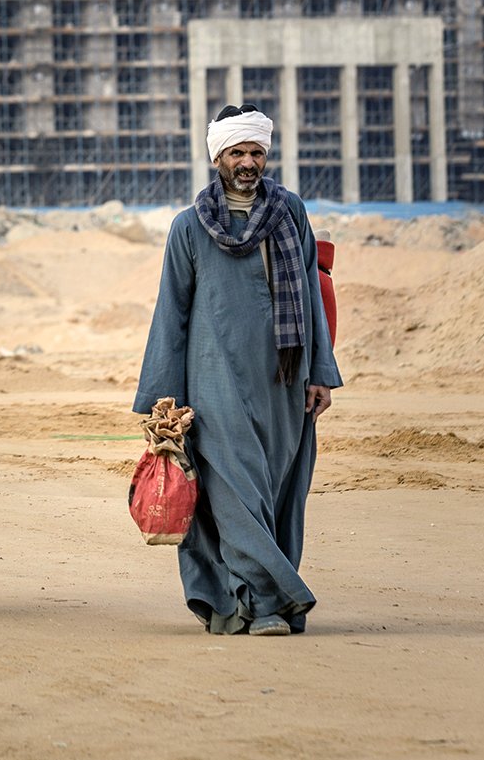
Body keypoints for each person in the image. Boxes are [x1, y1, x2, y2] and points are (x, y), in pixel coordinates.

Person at [134, 104, 342, 635]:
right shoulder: (189, 227)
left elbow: (313, 299)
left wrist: (320, 370)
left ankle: (246, 602)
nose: (247, 162)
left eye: (255, 152)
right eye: (237, 153)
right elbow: (171, 313)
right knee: (234, 495)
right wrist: (163, 399)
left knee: (277, 493)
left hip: (284, 382)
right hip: (214, 385)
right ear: (218, 158)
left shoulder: (290, 213)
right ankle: (271, 604)